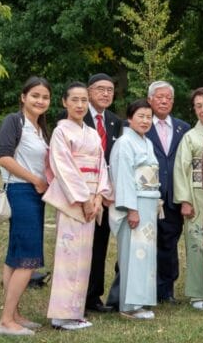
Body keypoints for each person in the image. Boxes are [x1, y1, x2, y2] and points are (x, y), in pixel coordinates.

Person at [44, 82, 112, 330]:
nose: (80, 105)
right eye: (75, 100)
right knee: (69, 256)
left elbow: (101, 165)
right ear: (64, 102)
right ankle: (62, 314)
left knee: (84, 257)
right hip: (73, 200)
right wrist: (83, 199)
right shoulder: (61, 132)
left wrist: (98, 197)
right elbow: (64, 168)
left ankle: (74, 310)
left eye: (84, 100)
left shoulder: (92, 133)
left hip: (91, 199)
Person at [0, 77, 52, 336]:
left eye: (45, 97)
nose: (40, 101)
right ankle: (6, 321)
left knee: (15, 257)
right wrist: (35, 179)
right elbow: (4, 157)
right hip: (21, 191)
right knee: (28, 258)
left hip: (34, 193)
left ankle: (14, 313)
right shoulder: (14, 121)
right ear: (23, 97)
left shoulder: (40, 128)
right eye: (35, 95)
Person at [109, 100, 161, 320]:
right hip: (135, 203)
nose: (145, 121)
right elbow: (123, 178)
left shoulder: (146, 142)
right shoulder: (124, 142)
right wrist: (131, 209)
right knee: (133, 253)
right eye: (141, 116)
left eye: (149, 117)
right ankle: (129, 306)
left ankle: (141, 301)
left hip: (148, 202)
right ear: (130, 118)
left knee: (145, 254)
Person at [173, 87, 203, 310]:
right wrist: (185, 200)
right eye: (198, 106)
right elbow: (181, 169)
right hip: (197, 192)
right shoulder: (190, 137)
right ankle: (198, 293)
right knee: (198, 242)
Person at [146, 81, 190, 303]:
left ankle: (166, 290)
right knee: (143, 244)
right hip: (146, 197)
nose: (164, 101)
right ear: (150, 100)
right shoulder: (140, 124)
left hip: (173, 196)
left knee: (169, 244)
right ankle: (142, 288)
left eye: (168, 97)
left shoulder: (184, 128)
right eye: (159, 97)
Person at [83, 73, 122, 314]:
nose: (106, 93)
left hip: (106, 195)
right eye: (100, 89)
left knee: (99, 246)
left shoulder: (115, 121)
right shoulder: (75, 115)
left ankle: (93, 296)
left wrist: (109, 191)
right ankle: (76, 296)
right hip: (82, 193)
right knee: (80, 247)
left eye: (109, 90)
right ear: (88, 91)